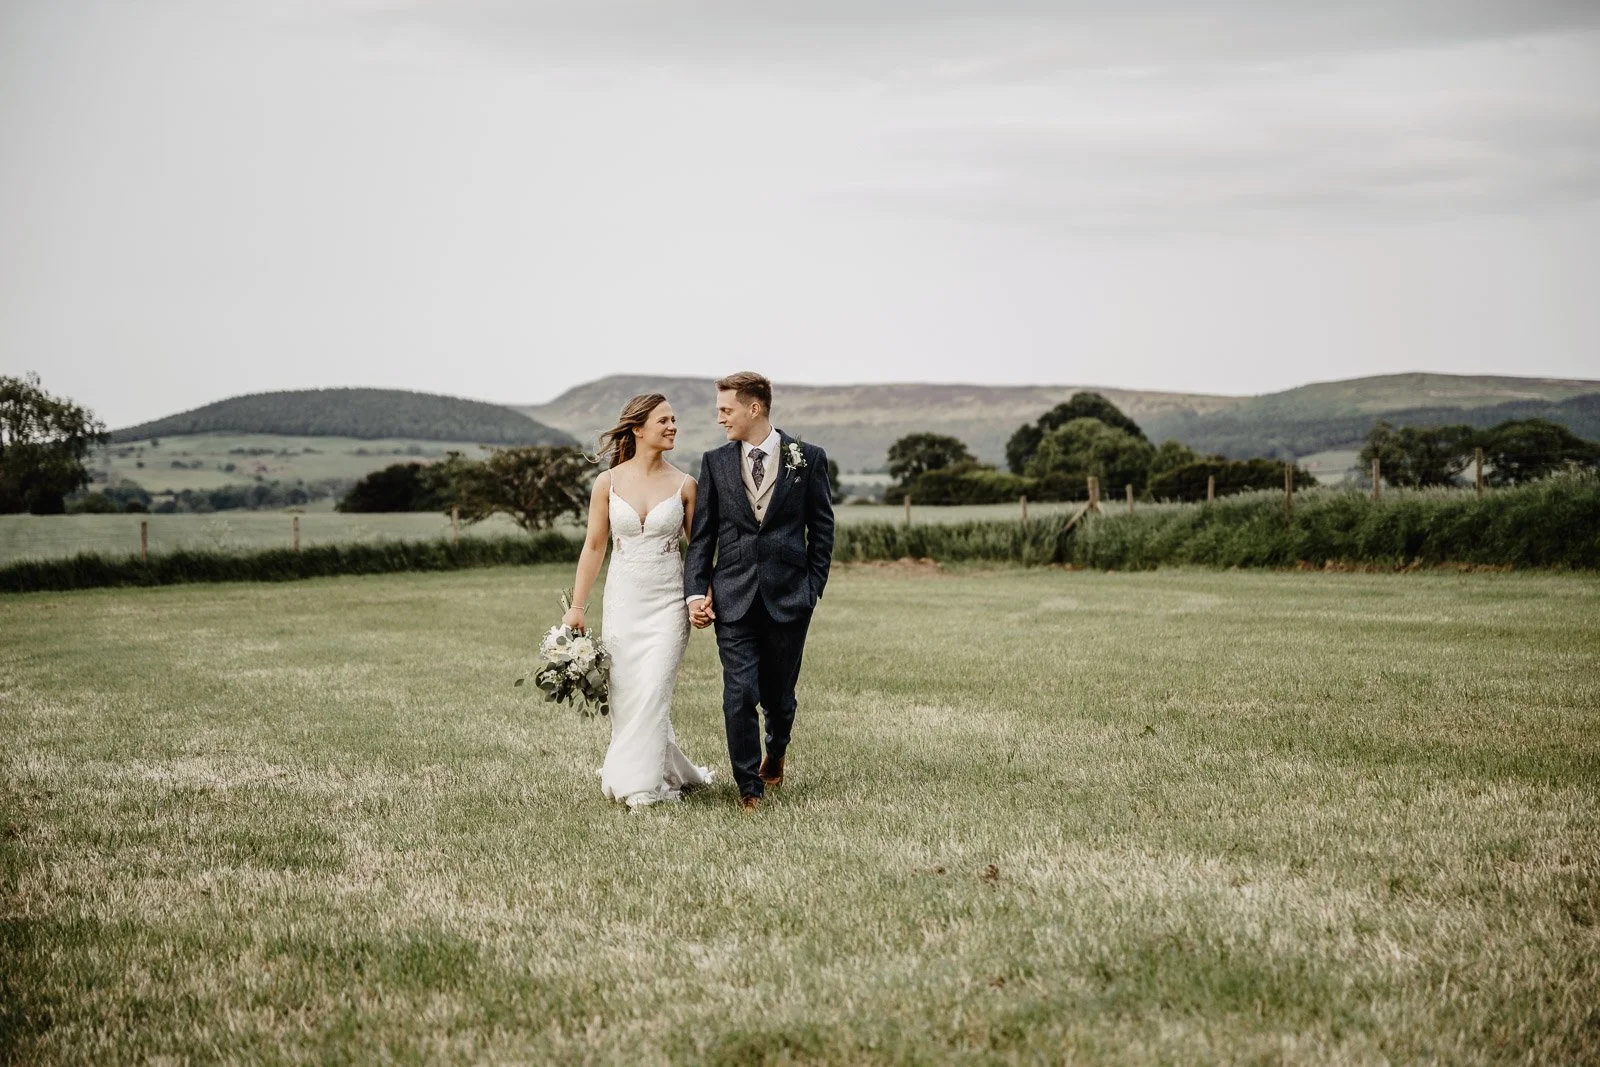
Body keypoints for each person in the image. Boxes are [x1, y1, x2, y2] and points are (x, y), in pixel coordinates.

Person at [684, 372, 834, 812]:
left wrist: (813, 588)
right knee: (739, 693)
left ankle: (778, 747)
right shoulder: (714, 462)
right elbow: (703, 536)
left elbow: (822, 528)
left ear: (754, 408)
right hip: (733, 596)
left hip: (791, 597)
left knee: (779, 697)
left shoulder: (806, 458)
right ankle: (748, 786)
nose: (719, 419)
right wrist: (696, 591)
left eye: (725, 410)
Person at [563, 393, 713, 807]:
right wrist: (577, 607)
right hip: (623, 603)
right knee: (628, 691)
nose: (672, 427)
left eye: (674, 420)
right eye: (663, 420)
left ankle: (643, 787)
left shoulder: (686, 485)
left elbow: (698, 551)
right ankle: (654, 771)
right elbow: (594, 546)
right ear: (638, 428)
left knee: (655, 689)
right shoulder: (607, 483)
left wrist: (703, 599)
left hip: (669, 605)